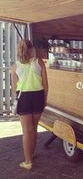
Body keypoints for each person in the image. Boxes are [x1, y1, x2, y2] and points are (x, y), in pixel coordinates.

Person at [11, 39, 48, 170]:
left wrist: (17, 100)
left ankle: (28, 162)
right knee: (34, 127)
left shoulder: (15, 66)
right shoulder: (39, 62)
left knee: (26, 131)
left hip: (24, 98)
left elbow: (14, 88)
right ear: (32, 48)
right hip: (38, 96)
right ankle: (32, 153)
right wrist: (44, 99)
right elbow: (45, 85)